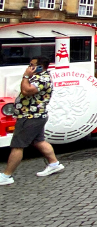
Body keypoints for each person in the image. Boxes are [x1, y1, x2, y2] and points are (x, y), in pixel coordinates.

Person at [0, 56, 64, 186]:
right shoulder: (39, 76)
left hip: (30, 117)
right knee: (39, 141)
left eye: (32, 65)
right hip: (36, 115)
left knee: (18, 146)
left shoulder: (42, 78)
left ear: (41, 66)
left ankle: (7, 175)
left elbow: (26, 91)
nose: (29, 67)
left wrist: (25, 76)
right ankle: (54, 164)